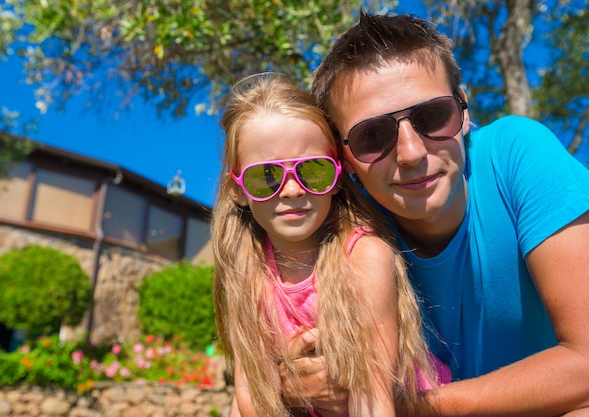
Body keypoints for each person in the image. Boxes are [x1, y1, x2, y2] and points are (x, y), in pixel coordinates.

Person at [281, 11, 589, 417]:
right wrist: (296, 378)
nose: (411, 153)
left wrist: (414, 405)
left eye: (432, 116)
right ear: (346, 158)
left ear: (463, 113)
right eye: (372, 136)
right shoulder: (341, 233)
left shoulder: (517, 154)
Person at [211, 73, 450, 417]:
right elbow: (252, 397)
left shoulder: (364, 256)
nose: (292, 190)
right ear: (237, 190)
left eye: (314, 171)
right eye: (266, 177)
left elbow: (374, 401)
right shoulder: (246, 272)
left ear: (338, 177)